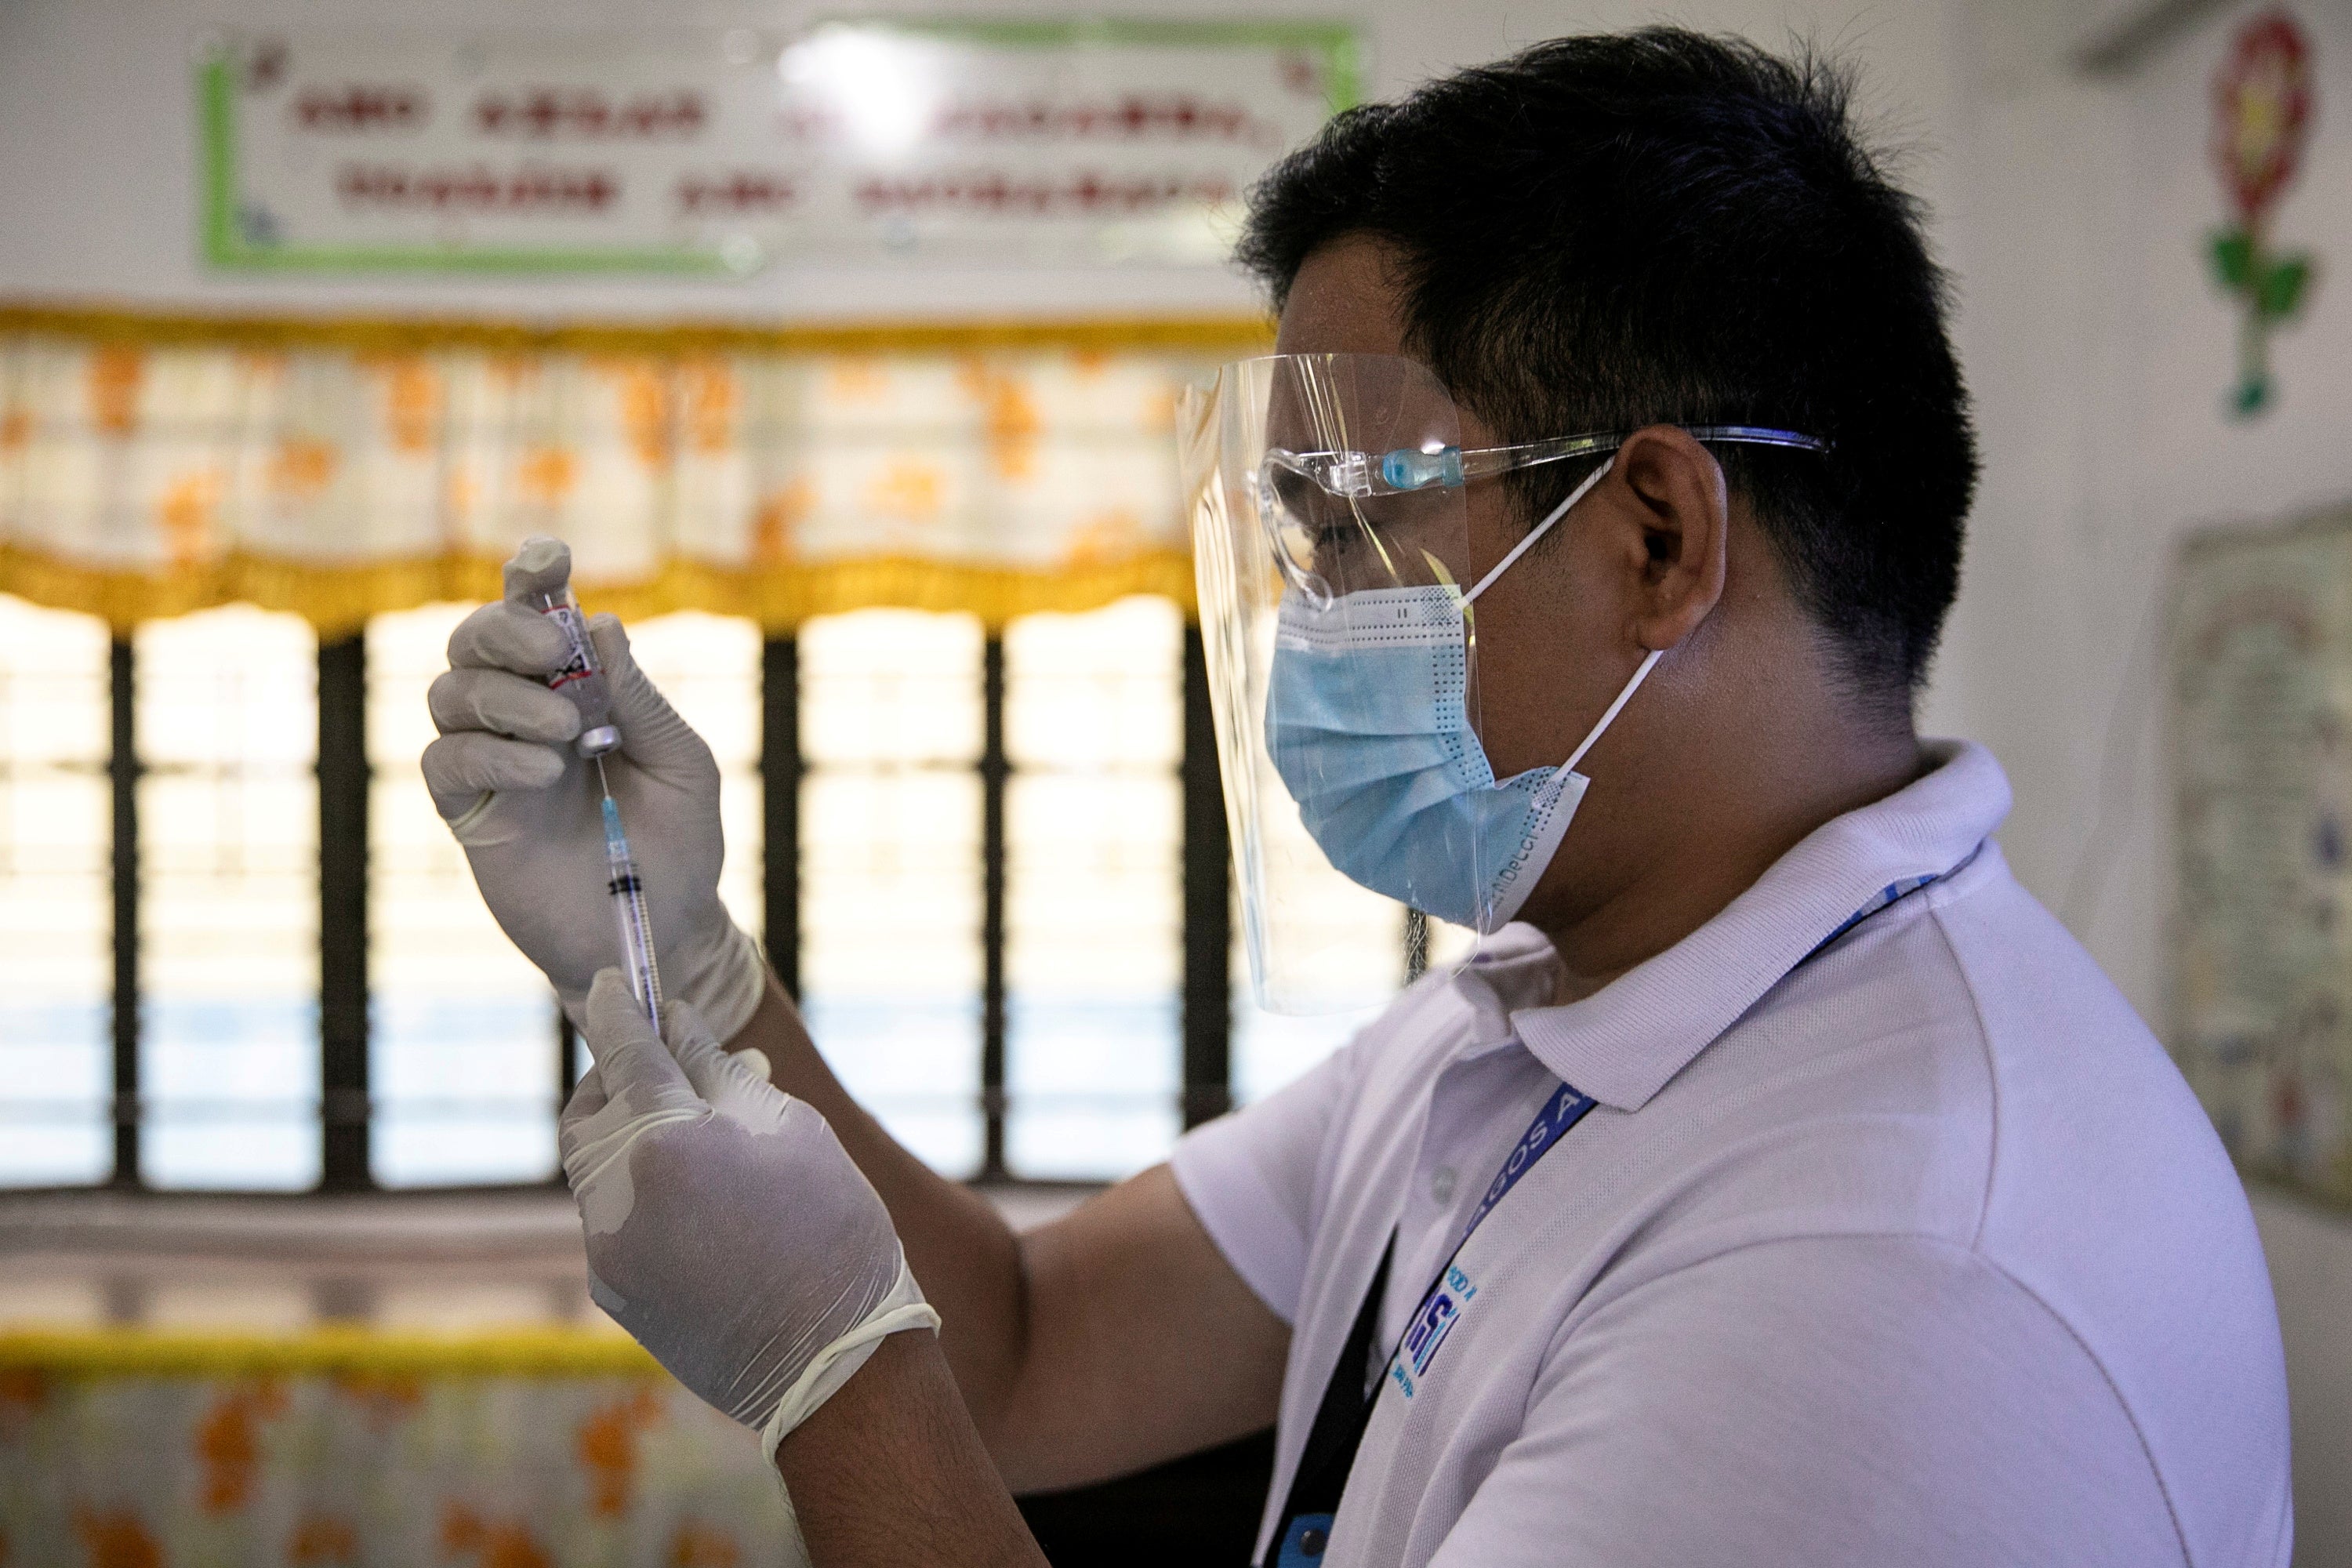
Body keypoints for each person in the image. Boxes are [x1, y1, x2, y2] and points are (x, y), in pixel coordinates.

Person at [423, 29, 2292, 1568]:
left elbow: (926, 1366)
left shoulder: (1895, 1276)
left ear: (1656, 537)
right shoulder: (1540, 1017)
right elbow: (1028, 1345)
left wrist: (831, 1370)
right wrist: (700, 966)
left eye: (1353, 523)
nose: (1314, 611)